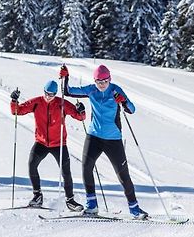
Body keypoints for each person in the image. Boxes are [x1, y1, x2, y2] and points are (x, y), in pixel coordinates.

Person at [60, 63, 148, 219]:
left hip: (113, 138)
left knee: (123, 175)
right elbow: (67, 91)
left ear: (109, 79)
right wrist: (65, 77)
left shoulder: (115, 90)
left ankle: (134, 209)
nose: (101, 85)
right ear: (95, 81)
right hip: (94, 136)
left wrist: (123, 102)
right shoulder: (91, 90)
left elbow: (132, 109)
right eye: (98, 82)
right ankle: (92, 206)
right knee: (86, 167)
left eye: (104, 81)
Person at [10, 80, 86, 211]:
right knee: (32, 164)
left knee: (66, 172)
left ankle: (70, 201)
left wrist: (81, 110)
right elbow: (17, 111)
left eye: (51, 94)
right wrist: (13, 100)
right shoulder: (37, 102)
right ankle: (37, 196)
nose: (48, 96)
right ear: (43, 91)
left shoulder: (61, 104)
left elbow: (80, 117)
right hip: (41, 142)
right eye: (47, 93)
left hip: (59, 144)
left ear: (55, 94)